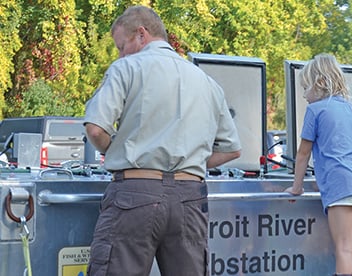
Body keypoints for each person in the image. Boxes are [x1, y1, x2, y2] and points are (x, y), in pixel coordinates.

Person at [83, 6, 242, 276]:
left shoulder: (126, 68)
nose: (120, 54)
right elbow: (232, 149)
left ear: (141, 35)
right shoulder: (207, 82)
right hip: (190, 199)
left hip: (134, 195)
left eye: (122, 46)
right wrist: (191, 162)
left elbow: (96, 129)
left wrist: (117, 151)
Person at [284, 53, 352, 276]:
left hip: (341, 183)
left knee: (344, 248)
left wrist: (296, 187)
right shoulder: (351, 108)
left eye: (306, 87)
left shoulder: (315, 110)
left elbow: (303, 153)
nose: (304, 95)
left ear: (319, 83)